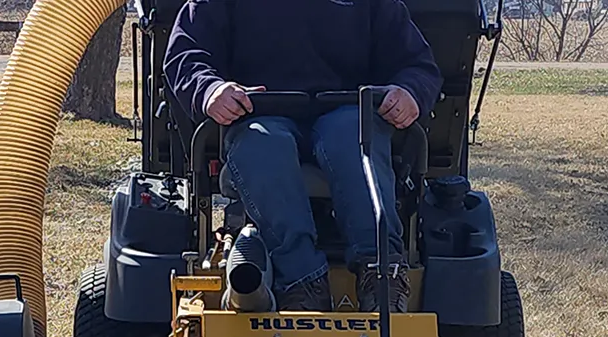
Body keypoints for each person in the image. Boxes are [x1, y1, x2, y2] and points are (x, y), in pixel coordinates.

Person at [165, 0, 442, 313]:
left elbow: (418, 65)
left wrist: (409, 91)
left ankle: (383, 276)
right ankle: (302, 281)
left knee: (352, 134)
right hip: (262, 115)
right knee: (261, 144)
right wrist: (209, 89)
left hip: (348, 116)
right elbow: (185, 55)